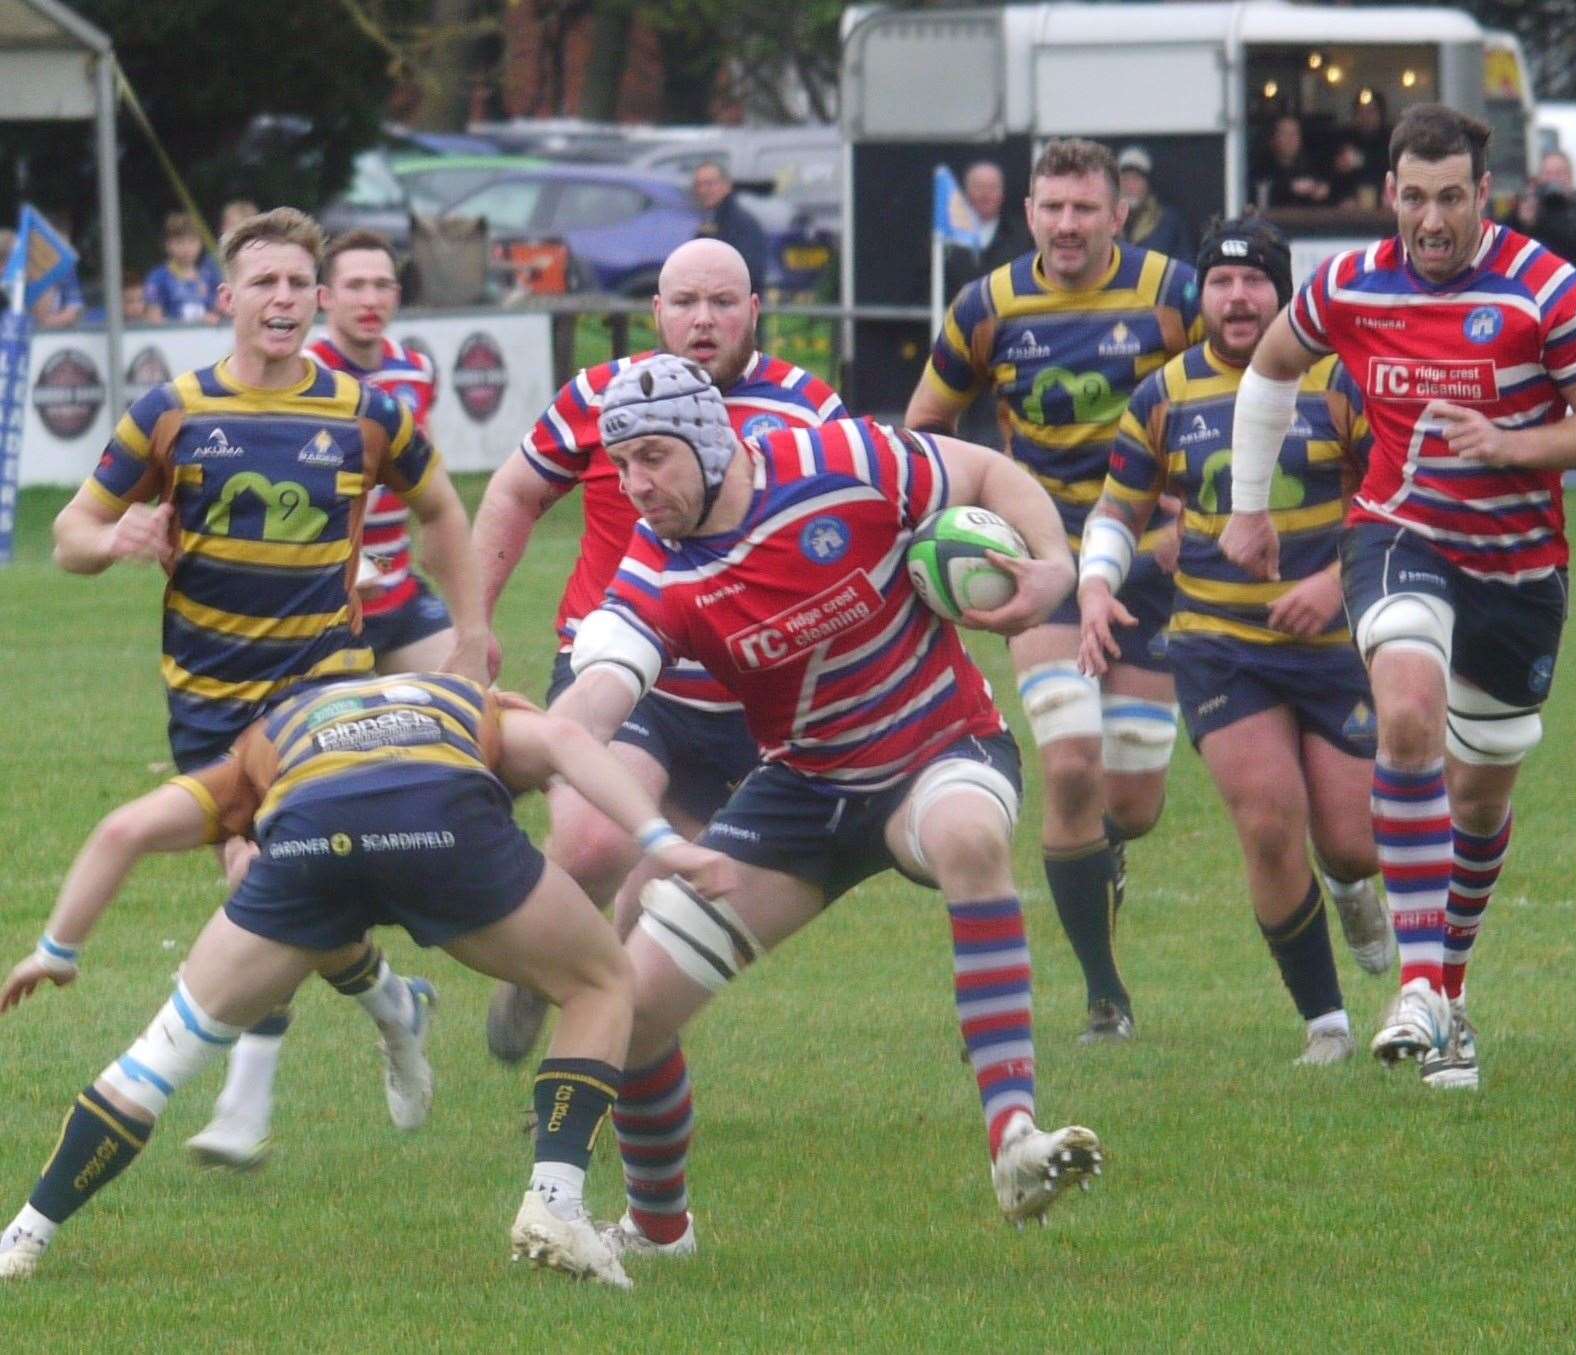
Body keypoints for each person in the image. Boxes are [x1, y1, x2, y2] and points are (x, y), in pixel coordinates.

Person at [553, 354, 1100, 1252]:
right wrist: (518, 748)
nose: (634, 485)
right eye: (621, 466)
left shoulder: (845, 461)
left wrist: (1051, 565)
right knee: (631, 1010)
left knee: (966, 833)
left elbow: (986, 471)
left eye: (653, 456)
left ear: (709, 440)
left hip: (941, 743)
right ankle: (659, 1229)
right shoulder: (655, 571)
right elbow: (597, 698)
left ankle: (1013, 1138)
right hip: (804, 786)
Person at [0, 671, 736, 1285]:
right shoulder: (476, 707)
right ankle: (555, 1200)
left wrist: (57, 950)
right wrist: (661, 840)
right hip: (444, 827)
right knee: (600, 981)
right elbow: (568, 742)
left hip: (313, 841)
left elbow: (123, 829)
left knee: (162, 1054)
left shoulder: (266, 742)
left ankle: (25, 1235)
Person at [51, 206, 491, 1160]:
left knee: (264, 879)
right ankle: (393, 1000)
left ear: (318, 300)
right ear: (228, 300)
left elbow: (444, 508)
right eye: (265, 283)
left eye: (299, 284)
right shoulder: (170, 410)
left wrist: (472, 632)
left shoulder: (366, 413)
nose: (283, 299)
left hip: (319, 686)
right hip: (206, 697)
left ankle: (242, 1110)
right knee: (296, 904)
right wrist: (115, 536)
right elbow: (70, 536)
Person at [1219, 104, 1576, 1088]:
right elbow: (1272, 364)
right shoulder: (1351, 283)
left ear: (1482, 194)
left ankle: (1446, 997)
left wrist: (1511, 444)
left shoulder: (1545, 290)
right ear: (1390, 195)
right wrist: (1250, 506)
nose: (1431, 218)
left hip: (1521, 573)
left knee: (1480, 796)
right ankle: (1414, 982)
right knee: (1406, 709)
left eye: (1450, 196)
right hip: (1397, 533)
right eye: (1413, 197)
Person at [471, 237, 848, 1060]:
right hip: (620, 668)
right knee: (594, 843)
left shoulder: (809, 409)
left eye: (722, 303)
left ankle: (590, 1045)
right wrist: (477, 620)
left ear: (755, 311)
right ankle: (556, 989)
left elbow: (845, 530)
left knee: (654, 902)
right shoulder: (604, 394)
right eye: (684, 303)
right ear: (656, 314)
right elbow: (514, 490)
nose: (703, 321)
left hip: (746, 699)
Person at [905, 137, 1202, 1044]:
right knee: (1068, 761)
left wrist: (1197, 513)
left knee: (1133, 803)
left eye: (1084, 209)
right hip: (1042, 570)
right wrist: (969, 524)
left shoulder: (1171, 293)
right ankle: (1104, 995)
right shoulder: (986, 306)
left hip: (1151, 565)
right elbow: (925, 428)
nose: (1066, 225)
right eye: (1050, 208)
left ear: (1118, 214)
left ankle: (1102, 856)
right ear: (1026, 212)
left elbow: (1227, 392)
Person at [1078, 217, 1393, 1066]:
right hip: (1219, 643)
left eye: (1254, 281)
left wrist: (1332, 581)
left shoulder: (1336, 381)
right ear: (1202, 297)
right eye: (1220, 283)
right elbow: (1118, 507)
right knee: (1264, 822)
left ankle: (1348, 879)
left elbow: (1388, 504)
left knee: (1354, 838)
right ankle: (1324, 1022)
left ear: (1280, 293)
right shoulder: (1165, 394)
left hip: (1333, 643)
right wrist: (1098, 580)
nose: (1237, 296)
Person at [307, 229, 456, 672]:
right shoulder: (306, 378)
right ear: (325, 297)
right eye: (355, 286)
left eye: (382, 285)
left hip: (399, 589)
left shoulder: (416, 371)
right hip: (327, 603)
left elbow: (429, 478)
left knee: (467, 709)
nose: (370, 299)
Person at [1506, 150, 1576, 296]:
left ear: (1570, 177)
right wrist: (1520, 219)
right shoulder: (1531, 203)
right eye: (1548, 174)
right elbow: (1506, 238)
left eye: (1559, 173)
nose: (1553, 179)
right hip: (1538, 293)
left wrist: (1537, 220)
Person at [944, 161, 1032, 296]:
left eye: (992, 188)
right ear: (965, 192)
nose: (985, 194)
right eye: (979, 187)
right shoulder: (946, 238)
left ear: (1002, 193)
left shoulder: (1024, 237)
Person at [690, 160, 770, 296]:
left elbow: (749, 271)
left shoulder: (740, 223)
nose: (703, 190)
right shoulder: (707, 218)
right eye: (699, 185)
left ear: (727, 186)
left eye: (709, 184)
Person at [143, 211, 223, 324]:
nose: (186, 248)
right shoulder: (158, 277)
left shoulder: (209, 277)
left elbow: (220, 311)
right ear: (167, 244)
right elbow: (154, 319)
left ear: (200, 243)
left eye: (192, 241)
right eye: (179, 242)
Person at [1117, 147, 1195, 262]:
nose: (1130, 186)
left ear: (1147, 184)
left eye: (1136, 179)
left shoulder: (1169, 222)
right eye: (1125, 179)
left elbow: (1186, 266)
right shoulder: (1107, 221)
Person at [1254, 116, 1331, 209]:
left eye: (1295, 133)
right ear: (1272, 139)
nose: (1291, 139)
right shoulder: (1261, 168)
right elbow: (1261, 196)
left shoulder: (1311, 167)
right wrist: (1289, 188)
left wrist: (1321, 189)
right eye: (1285, 133)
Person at [1332, 96, 1392, 209]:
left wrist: (1361, 160)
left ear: (1380, 114)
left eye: (1371, 112)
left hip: (1384, 207)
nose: (1365, 117)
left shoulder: (1391, 140)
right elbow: (1332, 180)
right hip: (1349, 210)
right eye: (1361, 112)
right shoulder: (1344, 139)